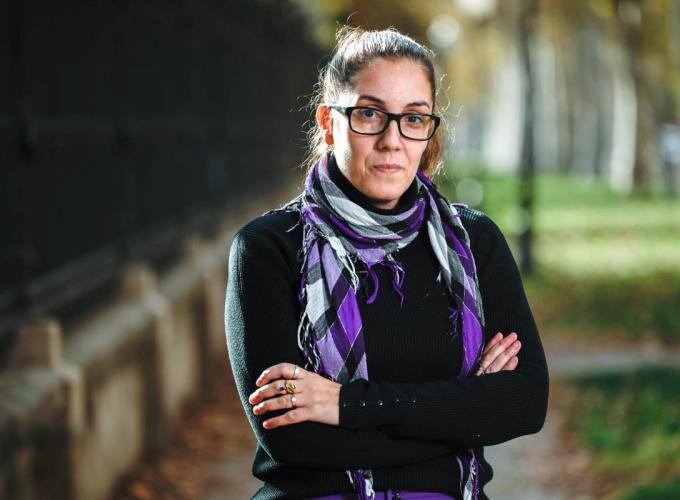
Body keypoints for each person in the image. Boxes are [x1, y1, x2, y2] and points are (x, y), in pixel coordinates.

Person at [225, 26, 549, 500]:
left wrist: (345, 405)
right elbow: (294, 439)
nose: (392, 140)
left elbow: (526, 402)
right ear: (328, 122)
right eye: (370, 114)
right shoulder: (269, 248)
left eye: (413, 118)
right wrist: (462, 410)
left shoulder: (474, 241)